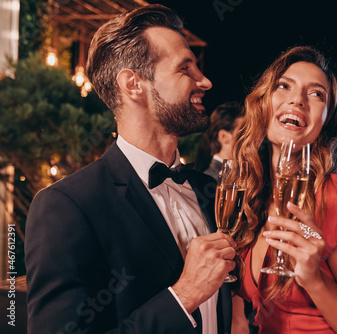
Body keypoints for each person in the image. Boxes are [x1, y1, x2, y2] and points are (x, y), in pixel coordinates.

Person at [24, 5, 235, 333]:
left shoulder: (209, 193)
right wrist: (185, 294)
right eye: (186, 68)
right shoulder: (66, 206)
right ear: (133, 84)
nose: (204, 81)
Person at [231, 46, 337, 333]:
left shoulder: (333, 195)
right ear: (263, 102)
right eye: (284, 86)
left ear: (327, 120)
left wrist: (315, 280)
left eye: (317, 93)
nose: (298, 100)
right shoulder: (255, 194)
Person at [197, 101, 242, 179]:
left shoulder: (240, 173)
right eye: (244, 131)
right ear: (223, 136)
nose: (252, 137)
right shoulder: (209, 179)